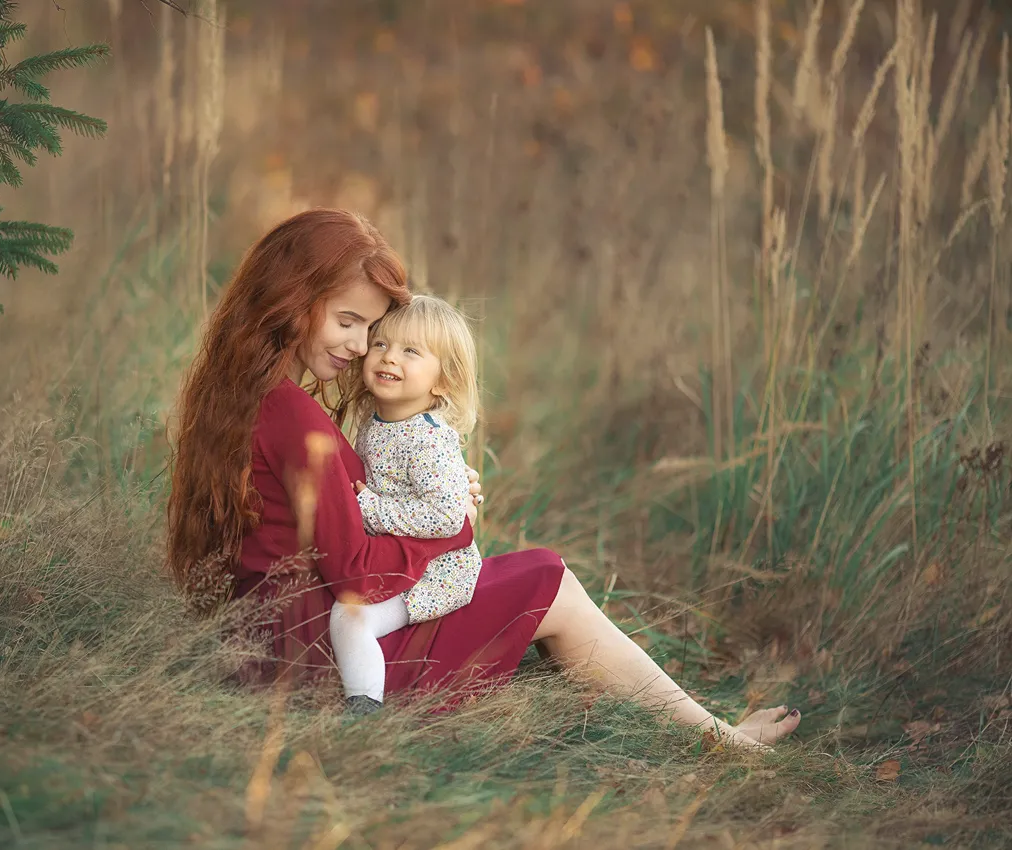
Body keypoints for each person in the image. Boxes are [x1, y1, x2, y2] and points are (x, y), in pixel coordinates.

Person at [165, 208, 800, 748]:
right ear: (294, 302)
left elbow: (330, 522)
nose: (363, 348)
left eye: (372, 329)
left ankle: (711, 733)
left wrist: (426, 494)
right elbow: (356, 570)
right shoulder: (293, 415)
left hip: (281, 645)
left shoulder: (245, 395)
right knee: (547, 579)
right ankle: (724, 744)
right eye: (349, 322)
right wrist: (449, 528)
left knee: (540, 580)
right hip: (324, 664)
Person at [329, 294, 487, 716]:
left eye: (410, 351)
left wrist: (370, 510)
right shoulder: (376, 424)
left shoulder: (426, 438)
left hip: (437, 573)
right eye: (380, 344)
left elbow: (448, 517)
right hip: (405, 559)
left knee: (351, 618)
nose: (388, 358)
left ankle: (364, 714)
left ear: (443, 381)